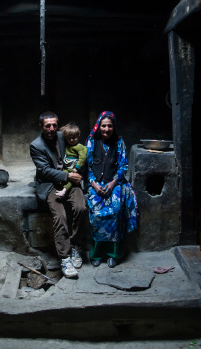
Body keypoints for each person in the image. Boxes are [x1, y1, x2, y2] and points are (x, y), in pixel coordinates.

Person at [29, 111, 86, 278]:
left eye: (54, 125)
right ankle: (65, 257)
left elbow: (78, 150)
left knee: (81, 208)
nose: (52, 128)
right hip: (50, 185)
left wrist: (76, 170)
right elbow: (45, 170)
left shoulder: (63, 136)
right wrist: (68, 175)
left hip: (69, 182)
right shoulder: (36, 145)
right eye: (48, 125)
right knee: (60, 216)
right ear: (41, 127)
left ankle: (75, 245)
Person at [85, 111, 138, 268]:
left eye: (109, 126)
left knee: (116, 209)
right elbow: (86, 166)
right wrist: (93, 184)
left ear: (114, 127)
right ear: (99, 126)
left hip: (114, 182)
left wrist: (113, 183)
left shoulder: (119, 142)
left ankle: (114, 254)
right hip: (95, 183)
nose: (106, 129)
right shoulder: (91, 142)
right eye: (103, 125)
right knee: (96, 215)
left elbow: (123, 166)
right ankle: (97, 254)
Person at [56, 122, 87, 198]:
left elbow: (83, 157)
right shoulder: (67, 146)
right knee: (62, 175)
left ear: (78, 136)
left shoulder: (79, 147)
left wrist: (77, 167)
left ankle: (64, 191)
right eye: (69, 138)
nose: (71, 140)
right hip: (68, 167)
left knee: (71, 179)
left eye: (74, 137)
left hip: (74, 168)